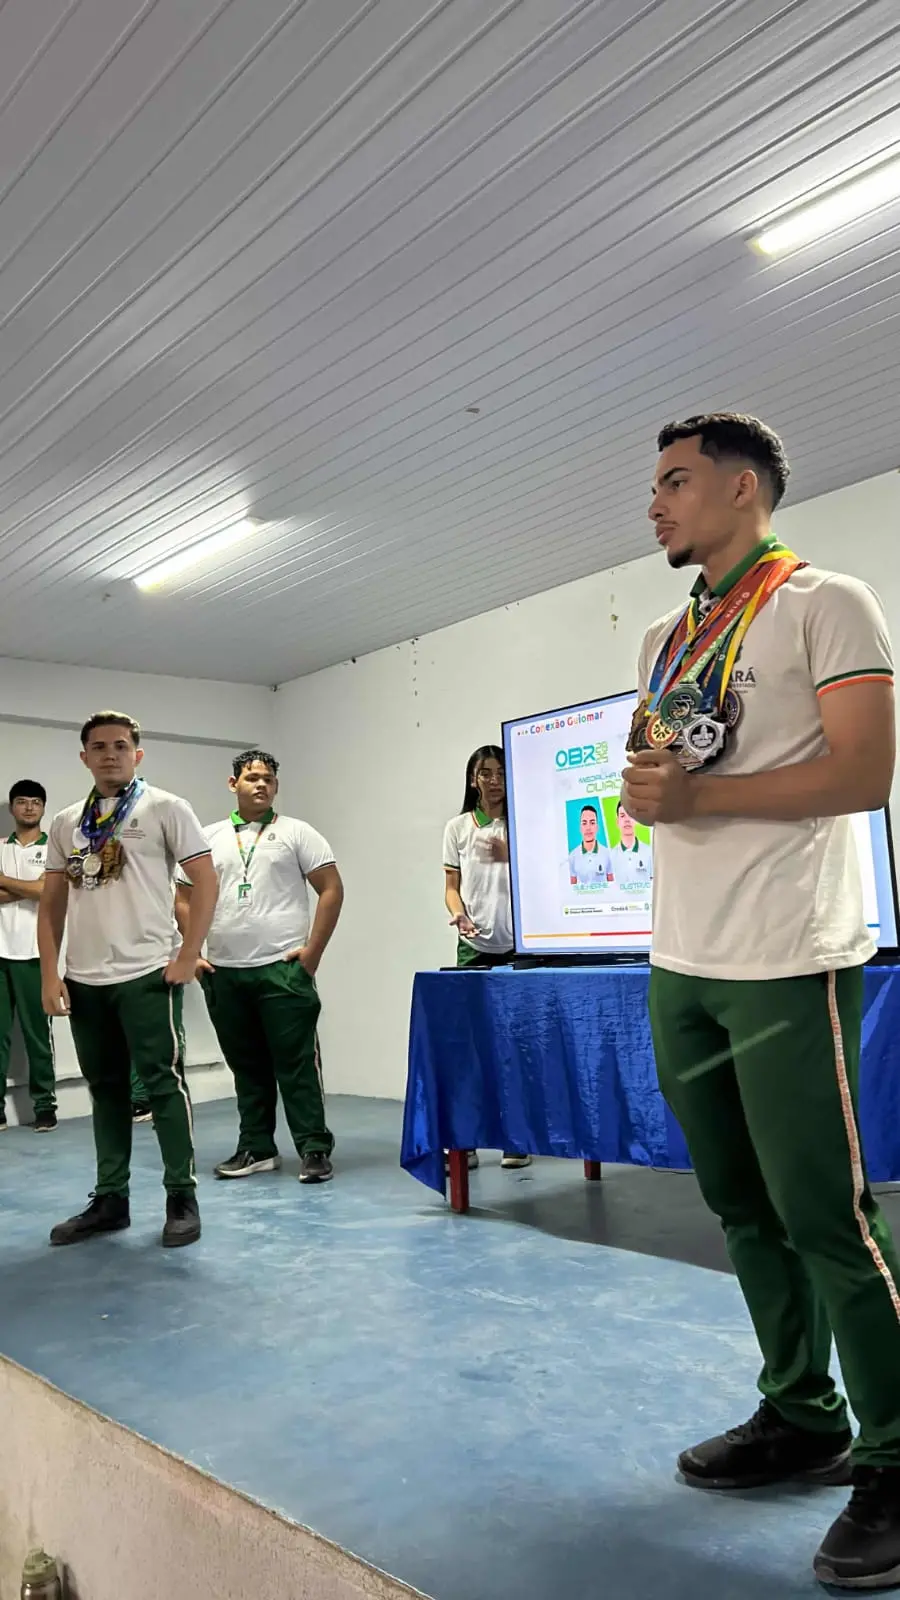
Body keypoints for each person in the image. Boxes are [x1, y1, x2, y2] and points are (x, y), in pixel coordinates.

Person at [622, 412, 900, 1591]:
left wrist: (700, 805)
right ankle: (801, 1408)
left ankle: (895, 1449)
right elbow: (664, 778)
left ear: (745, 490)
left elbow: (863, 771)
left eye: (676, 482)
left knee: (825, 1213)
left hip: (789, 954)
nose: (656, 503)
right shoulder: (666, 635)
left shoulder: (828, 602)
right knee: (738, 1205)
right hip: (681, 957)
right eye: (656, 486)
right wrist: (651, 794)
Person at [38, 711, 218, 1249]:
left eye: (121, 745)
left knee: (162, 1085)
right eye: (99, 746)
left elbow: (205, 880)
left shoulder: (165, 807)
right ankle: (111, 1198)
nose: (110, 754)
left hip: (145, 972)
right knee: (106, 1090)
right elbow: (51, 904)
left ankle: (181, 1196)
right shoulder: (68, 822)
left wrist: (189, 953)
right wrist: (51, 972)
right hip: (85, 977)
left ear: (137, 754)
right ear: (84, 756)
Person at [176, 749, 343, 1185]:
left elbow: (330, 889)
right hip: (224, 973)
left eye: (268, 778)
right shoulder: (207, 837)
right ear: (233, 784)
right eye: (251, 777)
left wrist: (312, 954)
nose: (261, 784)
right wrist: (192, 952)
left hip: (282, 970)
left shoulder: (297, 833)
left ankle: (313, 1148)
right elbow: (181, 897)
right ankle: (257, 1147)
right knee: (246, 1066)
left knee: (297, 1063)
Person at [443, 745, 530, 1171]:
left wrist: (511, 854)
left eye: (500, 772)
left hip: (519, 949)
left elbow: (539, 871)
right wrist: (458, 914)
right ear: (472, 779)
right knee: (471, 1047)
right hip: (473, 948)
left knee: (513, 1044)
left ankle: (516, 1139)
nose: (494, 780)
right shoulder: (458, 828)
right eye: (485, 772)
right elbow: (450, 886)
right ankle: (470, 1140)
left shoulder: (523, 824)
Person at [0, 781, 57, 1132]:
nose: (29, 808)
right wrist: (30, 889)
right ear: (11, 809)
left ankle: (45, 1106)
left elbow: (46, 891)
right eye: (22, 802)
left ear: (43, 808)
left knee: (38, 1034)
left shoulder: (55, 850)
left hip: (36, 953)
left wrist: (5, 881)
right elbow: (35, 890)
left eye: (36, 802)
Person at [567, 803, 614, 888]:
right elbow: (572, 889)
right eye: (584, 823)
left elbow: (612, 885)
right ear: (580, 827)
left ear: (597, 827)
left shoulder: (607, 854)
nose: (588, 828)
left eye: (592, 823)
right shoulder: (573, 856)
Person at [611, 801, 652, 893]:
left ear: (636, 820)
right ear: (617, 822)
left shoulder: (649, 852)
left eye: (630, 815)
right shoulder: (611, 856)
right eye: (622, 816)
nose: (627, 820)